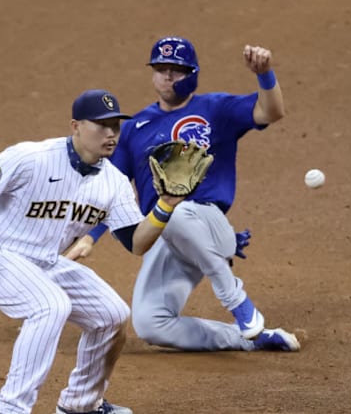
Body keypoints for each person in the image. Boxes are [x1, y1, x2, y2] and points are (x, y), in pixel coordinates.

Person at [66, 37, 301, 352]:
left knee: (174, 211)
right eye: (161, 69)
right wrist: (89, 236)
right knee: (151, 323)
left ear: (193, 73)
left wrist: (265, 74)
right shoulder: (135, 128)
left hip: (206, 221)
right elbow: (112, 189)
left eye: (176, 70)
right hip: (164, 231)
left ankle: (239, 303)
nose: (167, 76)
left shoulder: (216, 109)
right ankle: (250, 338)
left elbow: (271, 111)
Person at [0, 89, 185, 414]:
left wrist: (166, 205)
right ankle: (8, 409)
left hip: (47, 263)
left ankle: (82, 404)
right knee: (51, 306)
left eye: (115, 127)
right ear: (75, 126)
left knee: (112, 316)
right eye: (102, 125)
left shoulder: (114, 183)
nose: (111, 134)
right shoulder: (32, 156)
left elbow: (136, 242)